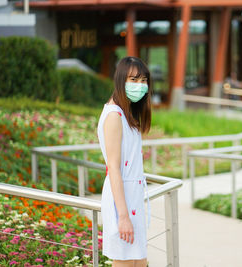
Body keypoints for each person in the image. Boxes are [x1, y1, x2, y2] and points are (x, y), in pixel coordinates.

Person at [97, 56, 152, 267]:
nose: (140, 86)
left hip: (133, 197)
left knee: (140, 261)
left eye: (143, 81)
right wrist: (123, 216)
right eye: (134, 80)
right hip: (122, 201)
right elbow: (114, 168)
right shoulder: (114, 115)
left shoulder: (126, 113)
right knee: (126, 262)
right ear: (121, 80)